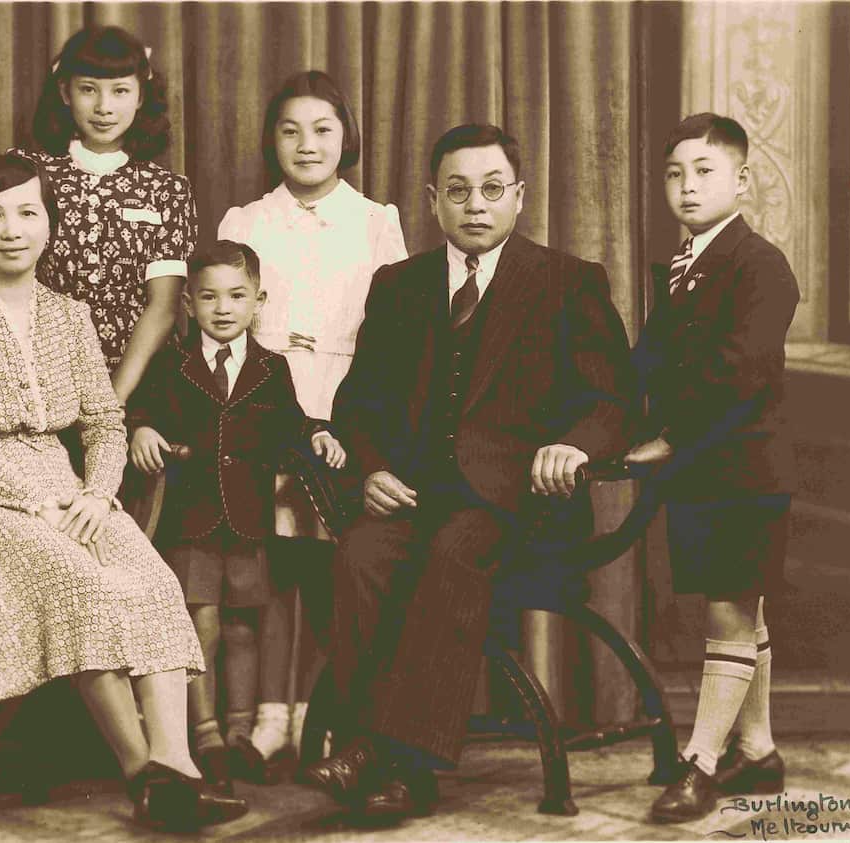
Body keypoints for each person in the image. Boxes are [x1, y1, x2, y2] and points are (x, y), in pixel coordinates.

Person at [0, 153, 245, 832]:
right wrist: (38, 501)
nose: (12, 229)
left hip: (68, 485)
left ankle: (176, 769)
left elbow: (104, 421)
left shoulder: (69, 315)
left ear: (50, 225)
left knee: (153, 579)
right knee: (88, 586)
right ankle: (140, 770)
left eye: (28, 212)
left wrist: (97, 492)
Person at [301, 123, 633, 825]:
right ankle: (397, 770)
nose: (474, 205)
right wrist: (371, 468)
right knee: (362, 553)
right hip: (416, 494)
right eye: (457, 191)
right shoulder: (399, 285)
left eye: (490, 190)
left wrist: (573, 446)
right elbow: (356, 404)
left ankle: (375, 752)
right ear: (432, 201)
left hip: (518, 508)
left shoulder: (567, 281)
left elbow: (614, 403)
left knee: (454, 548)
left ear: (519, 197)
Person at [217, 70, 407, 779]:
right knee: (271, 565)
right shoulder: (247, 220)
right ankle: (271, 719)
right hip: (267, 405)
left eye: (323, 129)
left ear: (346, 136)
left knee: (336, 567)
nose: (307, 144)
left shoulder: (376, 220)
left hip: (347, 406)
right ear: (272, 140)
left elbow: (393, 332)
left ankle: (325, 717)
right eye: (290, 130)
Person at [126, 240, 346, 797]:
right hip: (188, 519)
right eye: (208, 297)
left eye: (236, 296)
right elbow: (142, 410)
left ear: (258, 301)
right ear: (189, 306)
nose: (223, 308)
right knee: (198, 624)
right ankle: (205, 738)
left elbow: (292, 424)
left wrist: (318, 433)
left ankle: (242, 734)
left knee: (244, 626)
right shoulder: (172, 362)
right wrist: (142, 430)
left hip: (247, 521)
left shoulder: (272, 368)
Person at [630, 113, 799, 823]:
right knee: (735, 606)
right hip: (708, 469)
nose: (687, 185)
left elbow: (740, 371)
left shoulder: (760, 264)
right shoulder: (686, 262)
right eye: (675, 173)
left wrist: (669, 436)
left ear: (742, 180)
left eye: (704, 171)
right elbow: (657, 361)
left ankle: (701, 762)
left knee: (728, 612)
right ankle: (757, 752)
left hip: (744, 468)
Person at [13, 25, 195, 403]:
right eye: (88, 89)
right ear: (65, 92)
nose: (104, 108)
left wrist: (113, 401)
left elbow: (163, 307)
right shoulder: (28, 173)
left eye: (120, 91)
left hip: (140, 384)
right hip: (39, 375)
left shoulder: (168, 190)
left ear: (141, 96)